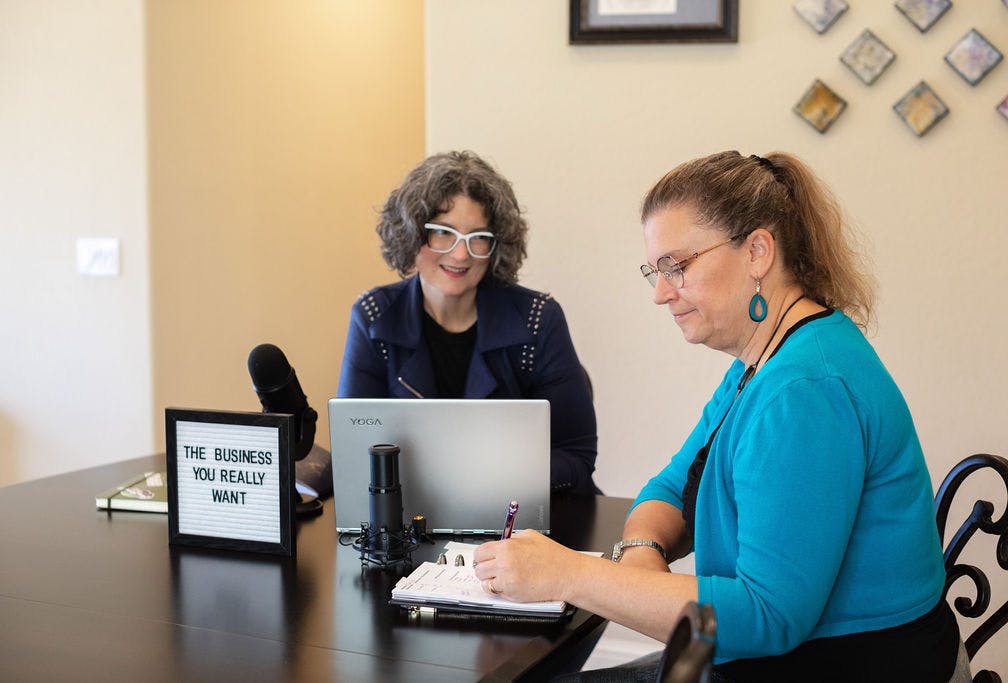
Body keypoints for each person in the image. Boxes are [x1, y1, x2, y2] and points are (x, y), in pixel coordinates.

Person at [471, 151, 961, 680]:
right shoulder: (768, 356)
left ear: (756, 252)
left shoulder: (804, 390)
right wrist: (640, 555)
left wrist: (570, 576)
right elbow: (671, 486)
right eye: (655, 271)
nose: (661, 294)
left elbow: (765, 617)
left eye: (677, 267)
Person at [337, 150, 599, 494]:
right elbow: (354, 456)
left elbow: (576, 456)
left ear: (497, 246)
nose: (461, 254)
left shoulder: (539, 319)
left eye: (478, 237)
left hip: (530, 517)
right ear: (411, 233)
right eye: (443, 233)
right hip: (415, 519)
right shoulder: (374, 317)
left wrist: (487, 478)